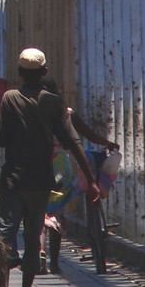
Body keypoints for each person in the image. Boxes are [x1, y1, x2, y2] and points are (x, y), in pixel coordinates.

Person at [0, 48, 100, 287]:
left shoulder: (10, 98)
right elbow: (74, 143)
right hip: (40, 182)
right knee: (33, 238)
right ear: (45, 72)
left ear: (21, 73)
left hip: (13, 180)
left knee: (4, 237)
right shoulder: (54, 103)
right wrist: (91, 180)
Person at [40, 76, 120, 274]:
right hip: (62, 166)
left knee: (39, 212)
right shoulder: (66, 113)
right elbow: (86, 134)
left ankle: (40, 251)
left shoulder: (32, 113)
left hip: (39, 164)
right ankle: (55, 262)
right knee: (57, 211)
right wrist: (107, 143)